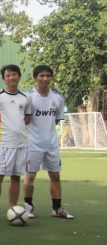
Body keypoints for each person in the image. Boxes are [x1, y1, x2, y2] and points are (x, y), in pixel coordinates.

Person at [24, 65, 74, 219]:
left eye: (48, 76)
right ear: (35, 78)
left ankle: (57, 209)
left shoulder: (57, 98)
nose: (45, 79)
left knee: (55, 176)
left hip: (51, 144)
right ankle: (29, 207)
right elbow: (24, 121)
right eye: (41, 76)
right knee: (30, 177)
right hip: (33, 144)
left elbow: (57, 120)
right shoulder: (28, 97)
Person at [0, 64, 33, 222]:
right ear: (3, 78)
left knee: (15, 177)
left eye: (14, 74)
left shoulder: (26, 98)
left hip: (20, 144)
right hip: (3, 143)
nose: (11, 77)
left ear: (19, 76)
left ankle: (12, 210)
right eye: (8, 75)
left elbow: (27, 118)